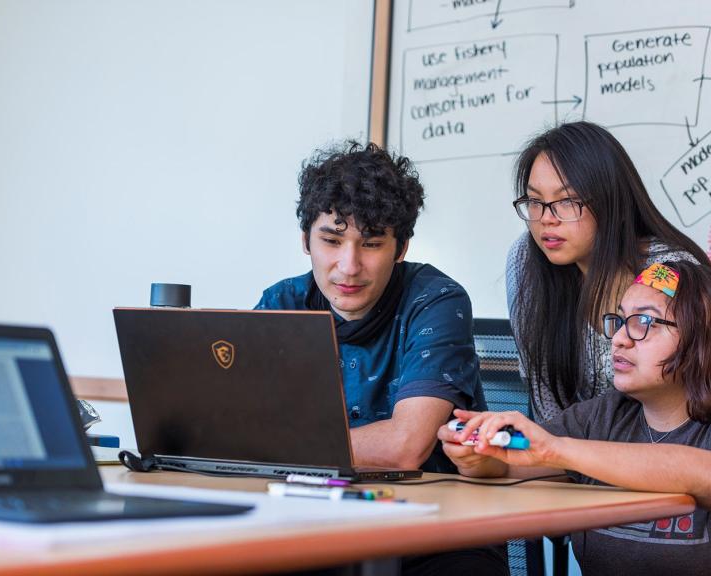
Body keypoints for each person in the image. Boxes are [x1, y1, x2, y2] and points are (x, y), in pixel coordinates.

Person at [257, 141, 508, 576]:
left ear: (401, 247)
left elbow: (403, 448)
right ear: (306, 241)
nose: (349, 266)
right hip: (315, 529)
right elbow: (235, 431)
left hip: (437, 534)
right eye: (332, 241)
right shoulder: (282, 304)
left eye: (370, 244)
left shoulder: (436, 300)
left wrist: (271, 448)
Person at [440, 261, 711, 575]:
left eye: (644, 322)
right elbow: (511, 466)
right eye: (621, 320)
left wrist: (556, 449)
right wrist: (480, 457)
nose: (620, 338)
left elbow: (700, 471)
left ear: (701, 336)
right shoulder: (603, 416)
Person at [506, 121, 708, 422]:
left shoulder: (665, 272)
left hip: (660, 453)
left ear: (609, 202)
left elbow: (682, 404)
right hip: (571, 454)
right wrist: (557, 451)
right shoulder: (526, 258)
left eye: (567, 201)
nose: (547, 219)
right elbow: (543, 391)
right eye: (535, 202)